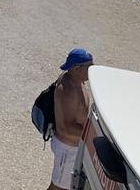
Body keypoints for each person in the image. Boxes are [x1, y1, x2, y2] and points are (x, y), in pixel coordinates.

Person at [48, 48, 93, 190]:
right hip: (67, 150)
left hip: (72, 148)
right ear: (76, 68)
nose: (92, 70)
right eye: (89, 67)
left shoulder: (76, 80)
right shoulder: (68, 91)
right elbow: (65, 128)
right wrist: (91, 133)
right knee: (58, 187)